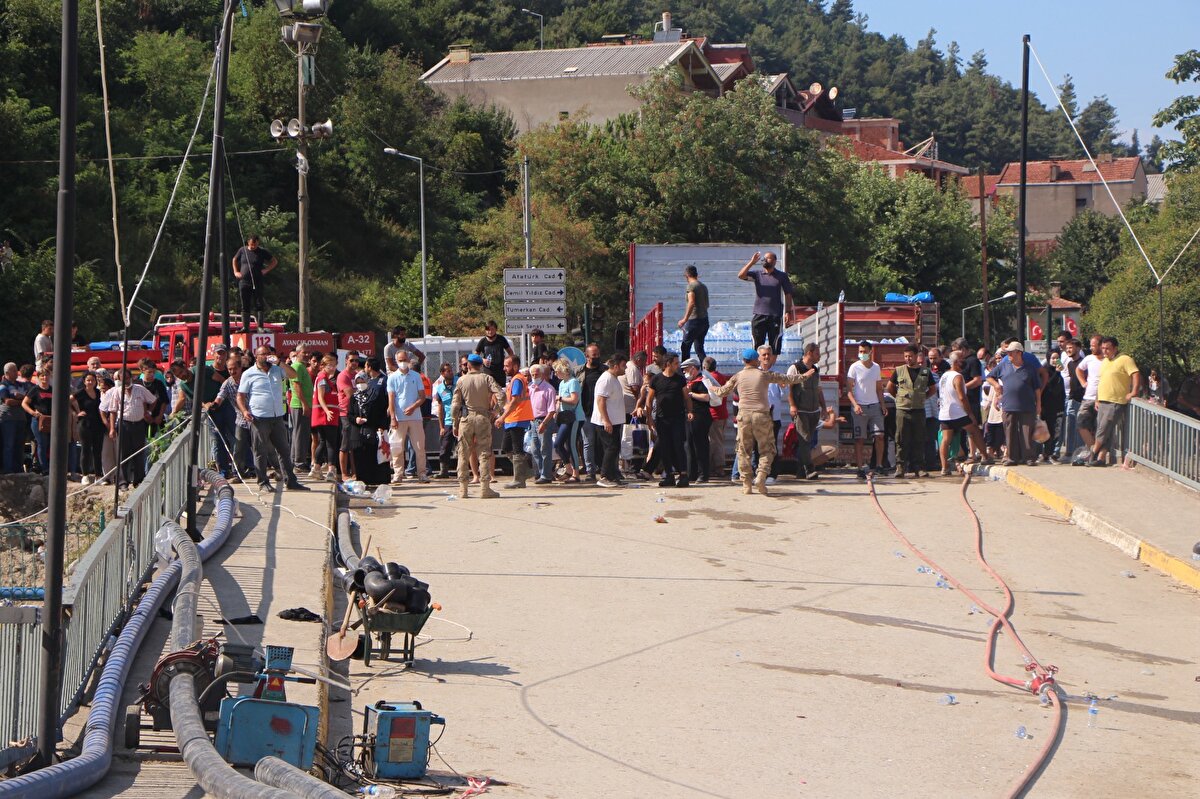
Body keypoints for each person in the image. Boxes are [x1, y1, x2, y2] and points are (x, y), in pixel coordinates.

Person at [710, 348, 805, 495]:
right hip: (762, 415)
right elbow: (787, 379)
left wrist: (713, 388)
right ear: (756, 360)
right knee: (767, 449)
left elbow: (723, 392)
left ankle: (746, 484)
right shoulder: (764, 375)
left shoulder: (738, 376)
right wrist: (805, 376)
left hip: (744, 416)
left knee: (743, 451)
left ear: (743, 361)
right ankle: (761, 476)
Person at [236, 345, 308, 491]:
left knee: (284, 450)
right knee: (260, 451)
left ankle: (291, 480)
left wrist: (280, 362)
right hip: (259, 417)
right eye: (264, 354)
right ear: (257, 356)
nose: (267, 356)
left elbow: (293, 375)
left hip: (277, 417)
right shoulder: (249, 374)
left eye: (269, 353)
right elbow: (240, 396)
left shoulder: (277, 369)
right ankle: (263, 482)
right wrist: (244, 411)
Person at [451, 354, 504, 499]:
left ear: (468, 365)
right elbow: (501, 395)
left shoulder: (461, 380)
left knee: (463, 453)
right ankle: (485, 488)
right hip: (482, 417)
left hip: (466, 418)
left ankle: (463, 489)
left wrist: (455, 422)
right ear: (481, 365)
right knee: (484, 453)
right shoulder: (487, 378)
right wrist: (496, 411)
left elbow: (455, 404)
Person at [1085, 337, 1141, 467]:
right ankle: (1101, 458)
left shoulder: (1125, 359)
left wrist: (1134, 392)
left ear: (1115, 348)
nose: (1105, 351)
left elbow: (1135, 374)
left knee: (1103, 430)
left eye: (1108, 348)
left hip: (1115, 401)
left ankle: (1092, 453)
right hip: (1103, 400)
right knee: (1105, 431)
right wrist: (1097, 398)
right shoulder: (1105, 361)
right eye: (1103, 348)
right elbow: (1102, 380)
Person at [639, 353, 693, 488]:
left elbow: (686, 397)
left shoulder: (680, 380)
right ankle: (669, 475)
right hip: (662, 419)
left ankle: (683, 475)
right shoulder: (656, 380)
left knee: (678, 446)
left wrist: (690, 411)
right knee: (665, 447)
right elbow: (649, 400)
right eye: (676, 363)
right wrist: (649, 418)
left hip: (678, 418)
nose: (678, 365)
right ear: (668, 363)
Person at [987, 342, 1045, 466]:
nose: (1008, 355)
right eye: (1007, 352)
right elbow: (989, 377)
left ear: (1019, 353)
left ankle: (1029, 458)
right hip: (1008, 405)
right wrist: (997, 386)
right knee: (1009, 432)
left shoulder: (1029, 367)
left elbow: (1037, 388)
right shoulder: (1003, 365)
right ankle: (1011, 458)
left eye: (1011, 352)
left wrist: (1039, 404)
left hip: (1027, 405)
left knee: (1027, 432)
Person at [886, 344, 937, 478]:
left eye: (910, 356)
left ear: (916, 356)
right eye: (906, 356)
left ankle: (919, 468)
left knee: (919, 439)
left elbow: (933, 389)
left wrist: (923, 397)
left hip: (919, 410)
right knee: (901, 439)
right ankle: (900, 467)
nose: (908, 359)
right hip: (902, 410)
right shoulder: (899, 370)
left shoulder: (925, 372)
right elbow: (890, 387)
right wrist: (899, 397)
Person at [103, 369, 157, 488]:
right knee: (123, 454)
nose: (126, 381)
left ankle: (138, 480)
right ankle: (123, 482)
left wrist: (148, 412)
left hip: (138, 424)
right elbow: (112, 411)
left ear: (131, 377)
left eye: (127, 378)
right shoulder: (117, 392)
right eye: (123, 379)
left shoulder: (140, 389)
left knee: (139, 453)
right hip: (124, 424)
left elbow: (153, 400)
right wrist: (112, 428)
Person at [937, 352, 989, 475]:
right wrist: (970, 413)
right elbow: (962, 397)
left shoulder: (944, 376)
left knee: (945, 439)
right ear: (956, 362)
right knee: (974, 430)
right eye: (961, 359)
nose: (964, 361)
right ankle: (985, 456)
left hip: (945, 412)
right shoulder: (958, 377)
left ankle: (944, 467)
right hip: (958, 412)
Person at [206, 353, 253, 479]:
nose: (232, 371)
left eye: (234, 369)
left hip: (256, 417)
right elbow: (220, 396)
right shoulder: (227, 383)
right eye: (230, 369)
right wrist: (214, 405)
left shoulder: (249, 379)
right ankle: (239, 472)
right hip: (240, 419)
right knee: (238, 446)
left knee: (260, 445)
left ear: (240, 368)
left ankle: (257, 469)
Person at [787, 343, 830, 480]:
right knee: (804, 439)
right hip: (801, 411)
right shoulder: (795, 368)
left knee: (808, 441)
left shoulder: (816, 370)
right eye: (817, 353)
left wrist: (823, 408)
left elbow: (818, 390)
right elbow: (789, 388)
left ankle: (800, 471)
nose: (819, 356)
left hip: (813, 411)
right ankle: (809, 469)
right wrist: (793, 406)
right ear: (809, 353)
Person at [737, 251, 794, 354]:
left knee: (775, 346)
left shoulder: (782, 276)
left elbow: (788, 294)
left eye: (768, 258)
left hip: (775, 315)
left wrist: (788, 312)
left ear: (774, 261)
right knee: (757, 346)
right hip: (759, 314)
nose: (764, 260)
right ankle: (759, 367)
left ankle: (769, 368)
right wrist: (752, 262)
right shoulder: (757, 274)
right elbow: (741, 275)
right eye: (764, 258)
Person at [846, 340, 887, 480]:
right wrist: (855, 404)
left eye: (864, 351)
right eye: (860, 351)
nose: (862, 354)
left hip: (874, 406)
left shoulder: (876, 368)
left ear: (870, 352)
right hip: (860, 407)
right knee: (860, 439)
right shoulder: (854, 367)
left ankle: (879, 465)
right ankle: (859, 467)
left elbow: (879, 388)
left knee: (879, 436)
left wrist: (882, 405)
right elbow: (849, 390)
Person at [387, 350, 428, 484]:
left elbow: (422, 397)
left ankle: (422, 473)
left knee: (419, 447)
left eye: (405, 359)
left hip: (415, 417)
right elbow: (391, 399)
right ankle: (398, 474)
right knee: (397, 447)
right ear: (396, 361)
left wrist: (413, 407)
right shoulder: (392, 377)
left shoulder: (416, 376)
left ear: (409, 360)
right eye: (400, 360)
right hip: (399, 418)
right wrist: (393, 417)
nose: (403, 362)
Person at [494, 355, 534, 489]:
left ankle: (519, 479)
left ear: (515, 366)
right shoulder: (515, 380)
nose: (504, 368)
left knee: (516, 449)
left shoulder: (517, 380)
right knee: (506, 447)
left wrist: (502, 417)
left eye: (507, 366)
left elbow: (515, 401)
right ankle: (525, 472)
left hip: (518, 418)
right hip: (513, 419)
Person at [592, 353, 629, 488]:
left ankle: (613, 476)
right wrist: (606, 421)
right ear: (615, 366)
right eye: (623, 366)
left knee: (614, 448)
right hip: (606, 422)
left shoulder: (613, 378)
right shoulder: (606, 379)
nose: (625, 369)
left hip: (614, 421)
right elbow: (601, 400)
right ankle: (604, 476)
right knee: (611, 448)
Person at [231, 236, 277, 331]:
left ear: (258, 243)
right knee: (245, 304)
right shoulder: (242, 250)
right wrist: (236, 272)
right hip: (244, 281)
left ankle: (260, 326)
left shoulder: (262, 251)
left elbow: (274, 261)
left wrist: (266, 270)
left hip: (257, 280)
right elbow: (234, 259)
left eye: (255, 244)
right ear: (248, 242)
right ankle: (245, 327)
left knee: (259, 303)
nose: (253, 246)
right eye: (251, 244)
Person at [308, 354, 341, 481]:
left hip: (323, 415)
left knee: (322, 441)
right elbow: (321, 397)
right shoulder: (322, 379)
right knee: (331, 443)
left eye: (334, 365)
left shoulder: (323, 378)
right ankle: (331, 470)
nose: (332, 368)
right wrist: (327, 411)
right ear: (323, 366)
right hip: (326, 416)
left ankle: (316, 468)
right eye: (330, 366)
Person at [681, 357, 712, 484]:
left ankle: (703, 474)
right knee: (689, 445)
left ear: (693, 369)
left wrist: (690, 394)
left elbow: (706, 397)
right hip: (689, 417)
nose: (684, 372)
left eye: (686, 369)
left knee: (700, 446)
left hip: (701, 416)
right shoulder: (689, 382)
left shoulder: (702, 381)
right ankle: (691, 473)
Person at [553, 358, 584, 483]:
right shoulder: (562, 383)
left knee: (571, 445)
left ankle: (576, 474)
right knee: (558, 444)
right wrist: (556, 411)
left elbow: (574, 400)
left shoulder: (573, 382)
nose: (555, 373)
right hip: (565, 417)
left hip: (575, 417)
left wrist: (560, 398)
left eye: (557, 371)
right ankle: (569, 469)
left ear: (563, 370)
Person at [577, 344, 606, 480]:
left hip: (603, 413)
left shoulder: (605, 371)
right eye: (594, 355)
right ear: (587, 356)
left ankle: (606, 470)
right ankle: (590, 471)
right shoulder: (579, 372)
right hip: (586, 412)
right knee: (588, 442)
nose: (597, 357)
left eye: (598, 354)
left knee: (605, 442)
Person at [528, 363, 558, 484]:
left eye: (537, 374)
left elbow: (551, 410)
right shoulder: (530, 387)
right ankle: (541, 473)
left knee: (545, 449)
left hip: (543, 420)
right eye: (533, 374)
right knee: (535, 449)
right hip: (533, 421)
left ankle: (546, 475)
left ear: (542, 374)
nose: (535, 376)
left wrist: (544, 423)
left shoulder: (549, 389)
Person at [1074, 335, 1105, 451]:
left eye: (1093, 345)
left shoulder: (1107, 360)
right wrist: (1083, 382)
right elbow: (1079, 369)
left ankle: (1097, 451)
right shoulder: (1089, 358)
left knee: (1099, 428)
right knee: (1081, 423)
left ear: (1101, 346)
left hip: (1103, 398)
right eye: (1090, 345)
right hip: (1088, 397)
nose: (1091, 348)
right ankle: (1092, 448)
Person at [74, 371, 105, 484]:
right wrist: (77, 412)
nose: (90, 382)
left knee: (98, 450)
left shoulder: (98, 392)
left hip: (98, 424)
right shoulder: (81, 392)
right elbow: (69, 400)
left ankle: (98, 476)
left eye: (92, 380)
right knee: (85, 449)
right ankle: (85, 475)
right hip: (85, 424)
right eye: (88, 380)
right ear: (84, 381)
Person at [21, 370, 54, 473]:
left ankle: (50, 467)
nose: (45, 378)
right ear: (38, 377)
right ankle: (44, 468)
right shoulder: (35, 390)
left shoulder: (53, 390)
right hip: (38, 421)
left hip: (51, 420)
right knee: (41, 443)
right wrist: (33, 413)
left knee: (50, 444)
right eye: (42, 376)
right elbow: (24, 403)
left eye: (46, 375)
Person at [287, 345, 313, 472]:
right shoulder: (297, 366)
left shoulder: (302, 367)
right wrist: (304, 404)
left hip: (303, 404)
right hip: (299, 405)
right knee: (299, 433)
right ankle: (298, 462)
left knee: (301, 433)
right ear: (297, 353)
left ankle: (296, 460)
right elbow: (296, 386)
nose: (307, 354)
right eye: (304, 352)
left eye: (308, 352)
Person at [1058, 338, 1085, 459]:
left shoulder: (1084, 363)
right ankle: (1069, 451)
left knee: (1081, 426)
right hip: (1072, 397)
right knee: (1070, 424)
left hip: (1083, 398)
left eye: (1071, 347)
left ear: (1078, 348)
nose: (1068, 350)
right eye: (1067, 348)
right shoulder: (1069, 363)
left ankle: (1079, 452)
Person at [678, 264, 710, 362]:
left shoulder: (691, 286)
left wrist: (684, 319)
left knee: (685, 347)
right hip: (704, 320)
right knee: (699, 348)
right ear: (697, 274)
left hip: (694, 321)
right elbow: (707, 305)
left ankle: (684, 371)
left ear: (686, 276)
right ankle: (706, 369)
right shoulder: (703, 286)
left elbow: (691, 302)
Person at [430, 362, 457, 478]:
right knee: (445, 447)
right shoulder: (440, 388)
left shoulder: (459, 382)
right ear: (442, 373)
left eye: (451, 370)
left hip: (461, 420)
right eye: (448, 371)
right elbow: (440, 408)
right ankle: (443, 471)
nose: (450, 372)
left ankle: (463, 470)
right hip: (448, 422)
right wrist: (441, 426)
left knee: (463, 447)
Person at [0, 362, 28, 473]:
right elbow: (8, 402)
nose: (17, 372)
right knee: (9, 445)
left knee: (19, 445)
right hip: (8, 419)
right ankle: (8, 470)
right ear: (7, 373)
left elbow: (28, 396)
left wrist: (21, 399)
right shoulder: (3, 386)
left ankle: (18, 469)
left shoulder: (21, 384)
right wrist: (22, 400)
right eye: (14, 370)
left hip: (21, 418)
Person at [337, 354, 361, 480]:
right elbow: (350, 394)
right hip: (345, 413)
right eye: (352, 360)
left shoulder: (358, 375)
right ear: (346, 361)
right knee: (345, 444)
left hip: (357, 413)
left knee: (355, 445)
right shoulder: (343, 376)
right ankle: (344, 473)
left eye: (357, 360)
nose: (354, 363)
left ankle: (355, 472)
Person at [704, 357, 729, 477]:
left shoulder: (708, 379)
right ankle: (716, 466)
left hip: (714, 414)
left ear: (705, 367)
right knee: (718, 440)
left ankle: (718, 467)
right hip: (722, 413)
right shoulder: (721, 377)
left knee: (715, 441)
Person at [1040, 351, 1066, 462]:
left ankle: (1051, 453)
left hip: (1057, 406)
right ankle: (1046, 453)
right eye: (1053, 358)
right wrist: (1056, 373)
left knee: (1055, 431)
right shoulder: (1044, 371)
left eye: (1057, 358)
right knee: (1046, 431)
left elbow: (1061, 390)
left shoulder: (1061, 373)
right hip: (1046, 405)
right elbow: (1048, 385)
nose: (1055, 360)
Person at [475, 321, 513, 387]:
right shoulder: (482, 341)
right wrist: (483, 360)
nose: (490, 332)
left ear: (496, 329)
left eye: (492, 329)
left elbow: (510, 352)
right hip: (488, 371)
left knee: (501, 392)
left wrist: (509, 363)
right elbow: (475, 355)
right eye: (488, 330)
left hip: (500, 371)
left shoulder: (501, 339)